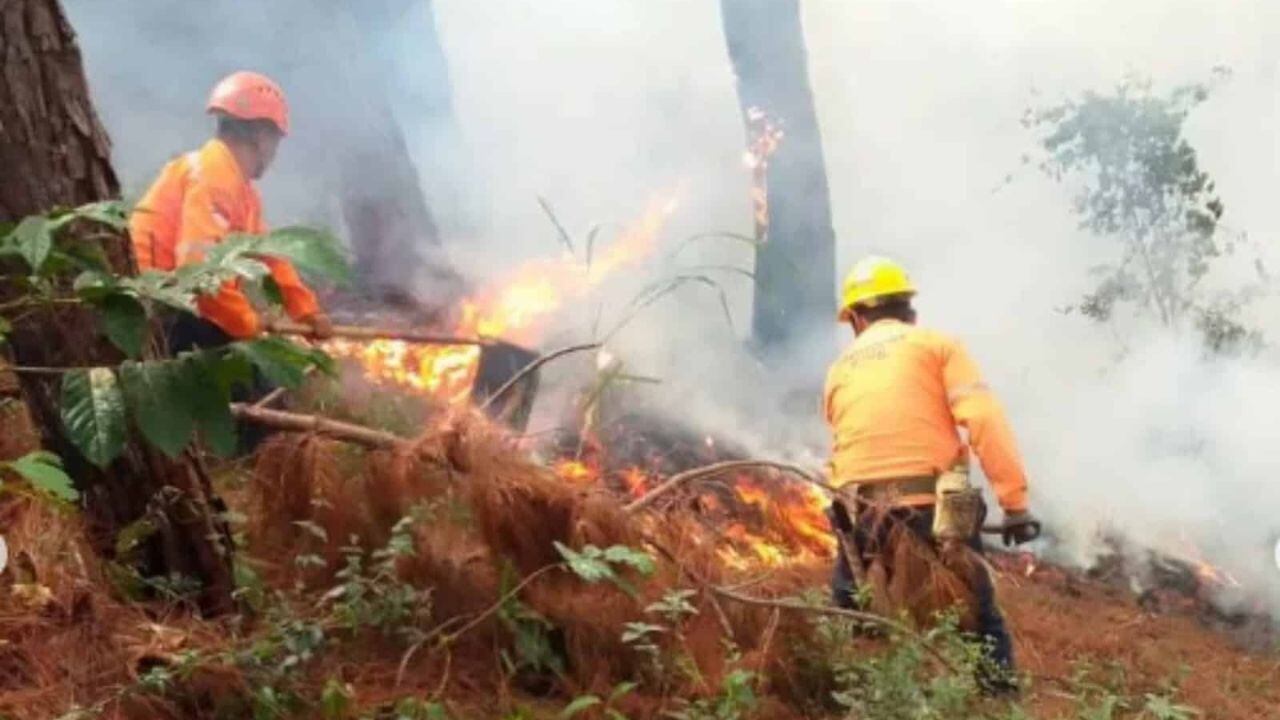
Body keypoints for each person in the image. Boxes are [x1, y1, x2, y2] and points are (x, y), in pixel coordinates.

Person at [822, 255, 1040, 692]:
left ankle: (853, 697)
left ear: (857, 320)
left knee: (852, 611)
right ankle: (997, 699)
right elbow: (984, 420)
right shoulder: (938, 346)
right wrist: (1015, 504)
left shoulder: (840, 368)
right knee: (979, 616)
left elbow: (843, 447)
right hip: (937, 509)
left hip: (862, 513)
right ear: (910, 311)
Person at [129, 70, 333, 349]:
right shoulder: (214, 176)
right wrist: (247, 322)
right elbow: (199, 275)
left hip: (180, 303)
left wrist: (307, 311)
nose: (275, 152)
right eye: (275, 139)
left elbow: (271, 256)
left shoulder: (240, 189)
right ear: (261, 135)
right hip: (159, 307)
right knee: (253, 378)